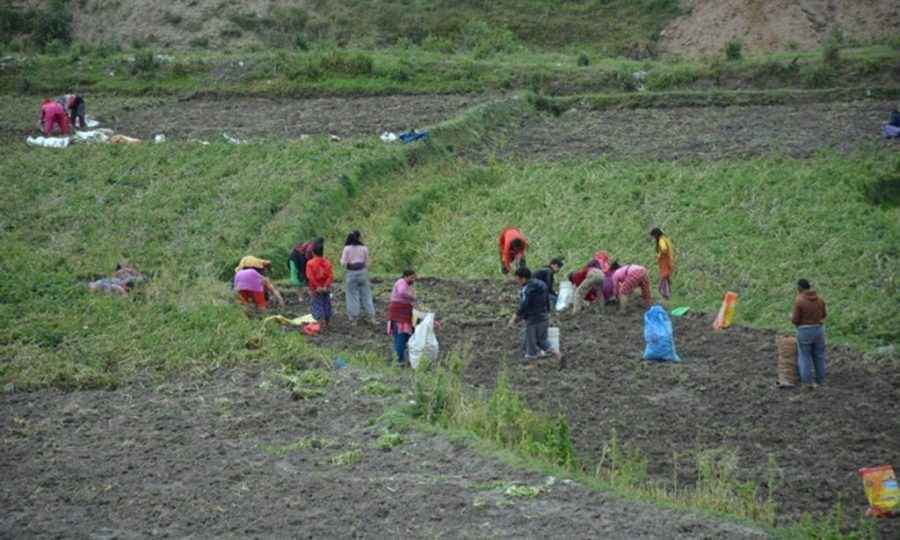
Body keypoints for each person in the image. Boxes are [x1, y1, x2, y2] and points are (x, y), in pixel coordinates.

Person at [508, 267, 562, 369]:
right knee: (541, 340)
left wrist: (515, 317)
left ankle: (534, 365)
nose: (517, 281)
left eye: (518, 279)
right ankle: (557, 354)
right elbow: (547, 300)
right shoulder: (541, 284)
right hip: (544, 316)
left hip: (533, 319)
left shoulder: (527, 290)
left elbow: (524, 305)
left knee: (530, 341)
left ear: (523, 278)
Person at [791, 278, 826, 387]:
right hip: (818, 330)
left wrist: (791, 317)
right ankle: (821, 381)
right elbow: (824, 315)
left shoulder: (800, 301)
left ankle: (806, 383)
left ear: (800, 288)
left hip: (805, 331)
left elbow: (795, 320)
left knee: (804, 356)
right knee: (819, 356)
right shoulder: (820, 299)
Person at [340, 230, 376, 325]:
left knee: (352, 296)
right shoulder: (364, 248)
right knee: (366, 295)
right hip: (362, 272)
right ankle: (371, 317)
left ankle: (354, 319)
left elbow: (343, 262)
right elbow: (367, 261)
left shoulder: (347, 249)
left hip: (351, 272)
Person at [386, 269, 420, 365]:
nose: (413, 280)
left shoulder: (408, 286)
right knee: (400, 336)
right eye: (412, 277)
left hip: (405, 313)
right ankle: (398, 360)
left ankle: (402, 358)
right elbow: (402, 293)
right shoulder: (401, 282)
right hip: (399, 313)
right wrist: (413, 297)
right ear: (406, 276)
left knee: (406, 336)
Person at [305, 243, 334, 328]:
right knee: (327, 303)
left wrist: (317, 287)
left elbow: (310, 277)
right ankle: (328, 322)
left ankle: (320, 324)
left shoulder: (310, 263)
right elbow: (330, 275)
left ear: (313, 252)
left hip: (315, 288)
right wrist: (325, 286)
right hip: (325, 287)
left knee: (317, 305)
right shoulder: (327, 262)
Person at [650, 228, 675, 300]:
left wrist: (662, 255)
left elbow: (664, 248)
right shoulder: (665, 238)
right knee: (666, 278)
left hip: (665, 261)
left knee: (663, 278)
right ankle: (667, 294)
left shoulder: (661, 240)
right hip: (668, 261)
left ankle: (665, 296)